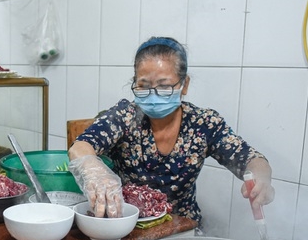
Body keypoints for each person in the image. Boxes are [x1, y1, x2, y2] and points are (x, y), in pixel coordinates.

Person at [68, 36, 275, 227]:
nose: (153, 95)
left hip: (182, 228)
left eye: (164, 86)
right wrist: (94, 171)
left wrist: (262, 178)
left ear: (184, 85)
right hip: (129, 227)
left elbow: (251, 159)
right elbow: (80, 147)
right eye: (143, 86)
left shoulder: (203, 123)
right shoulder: (125, 116)